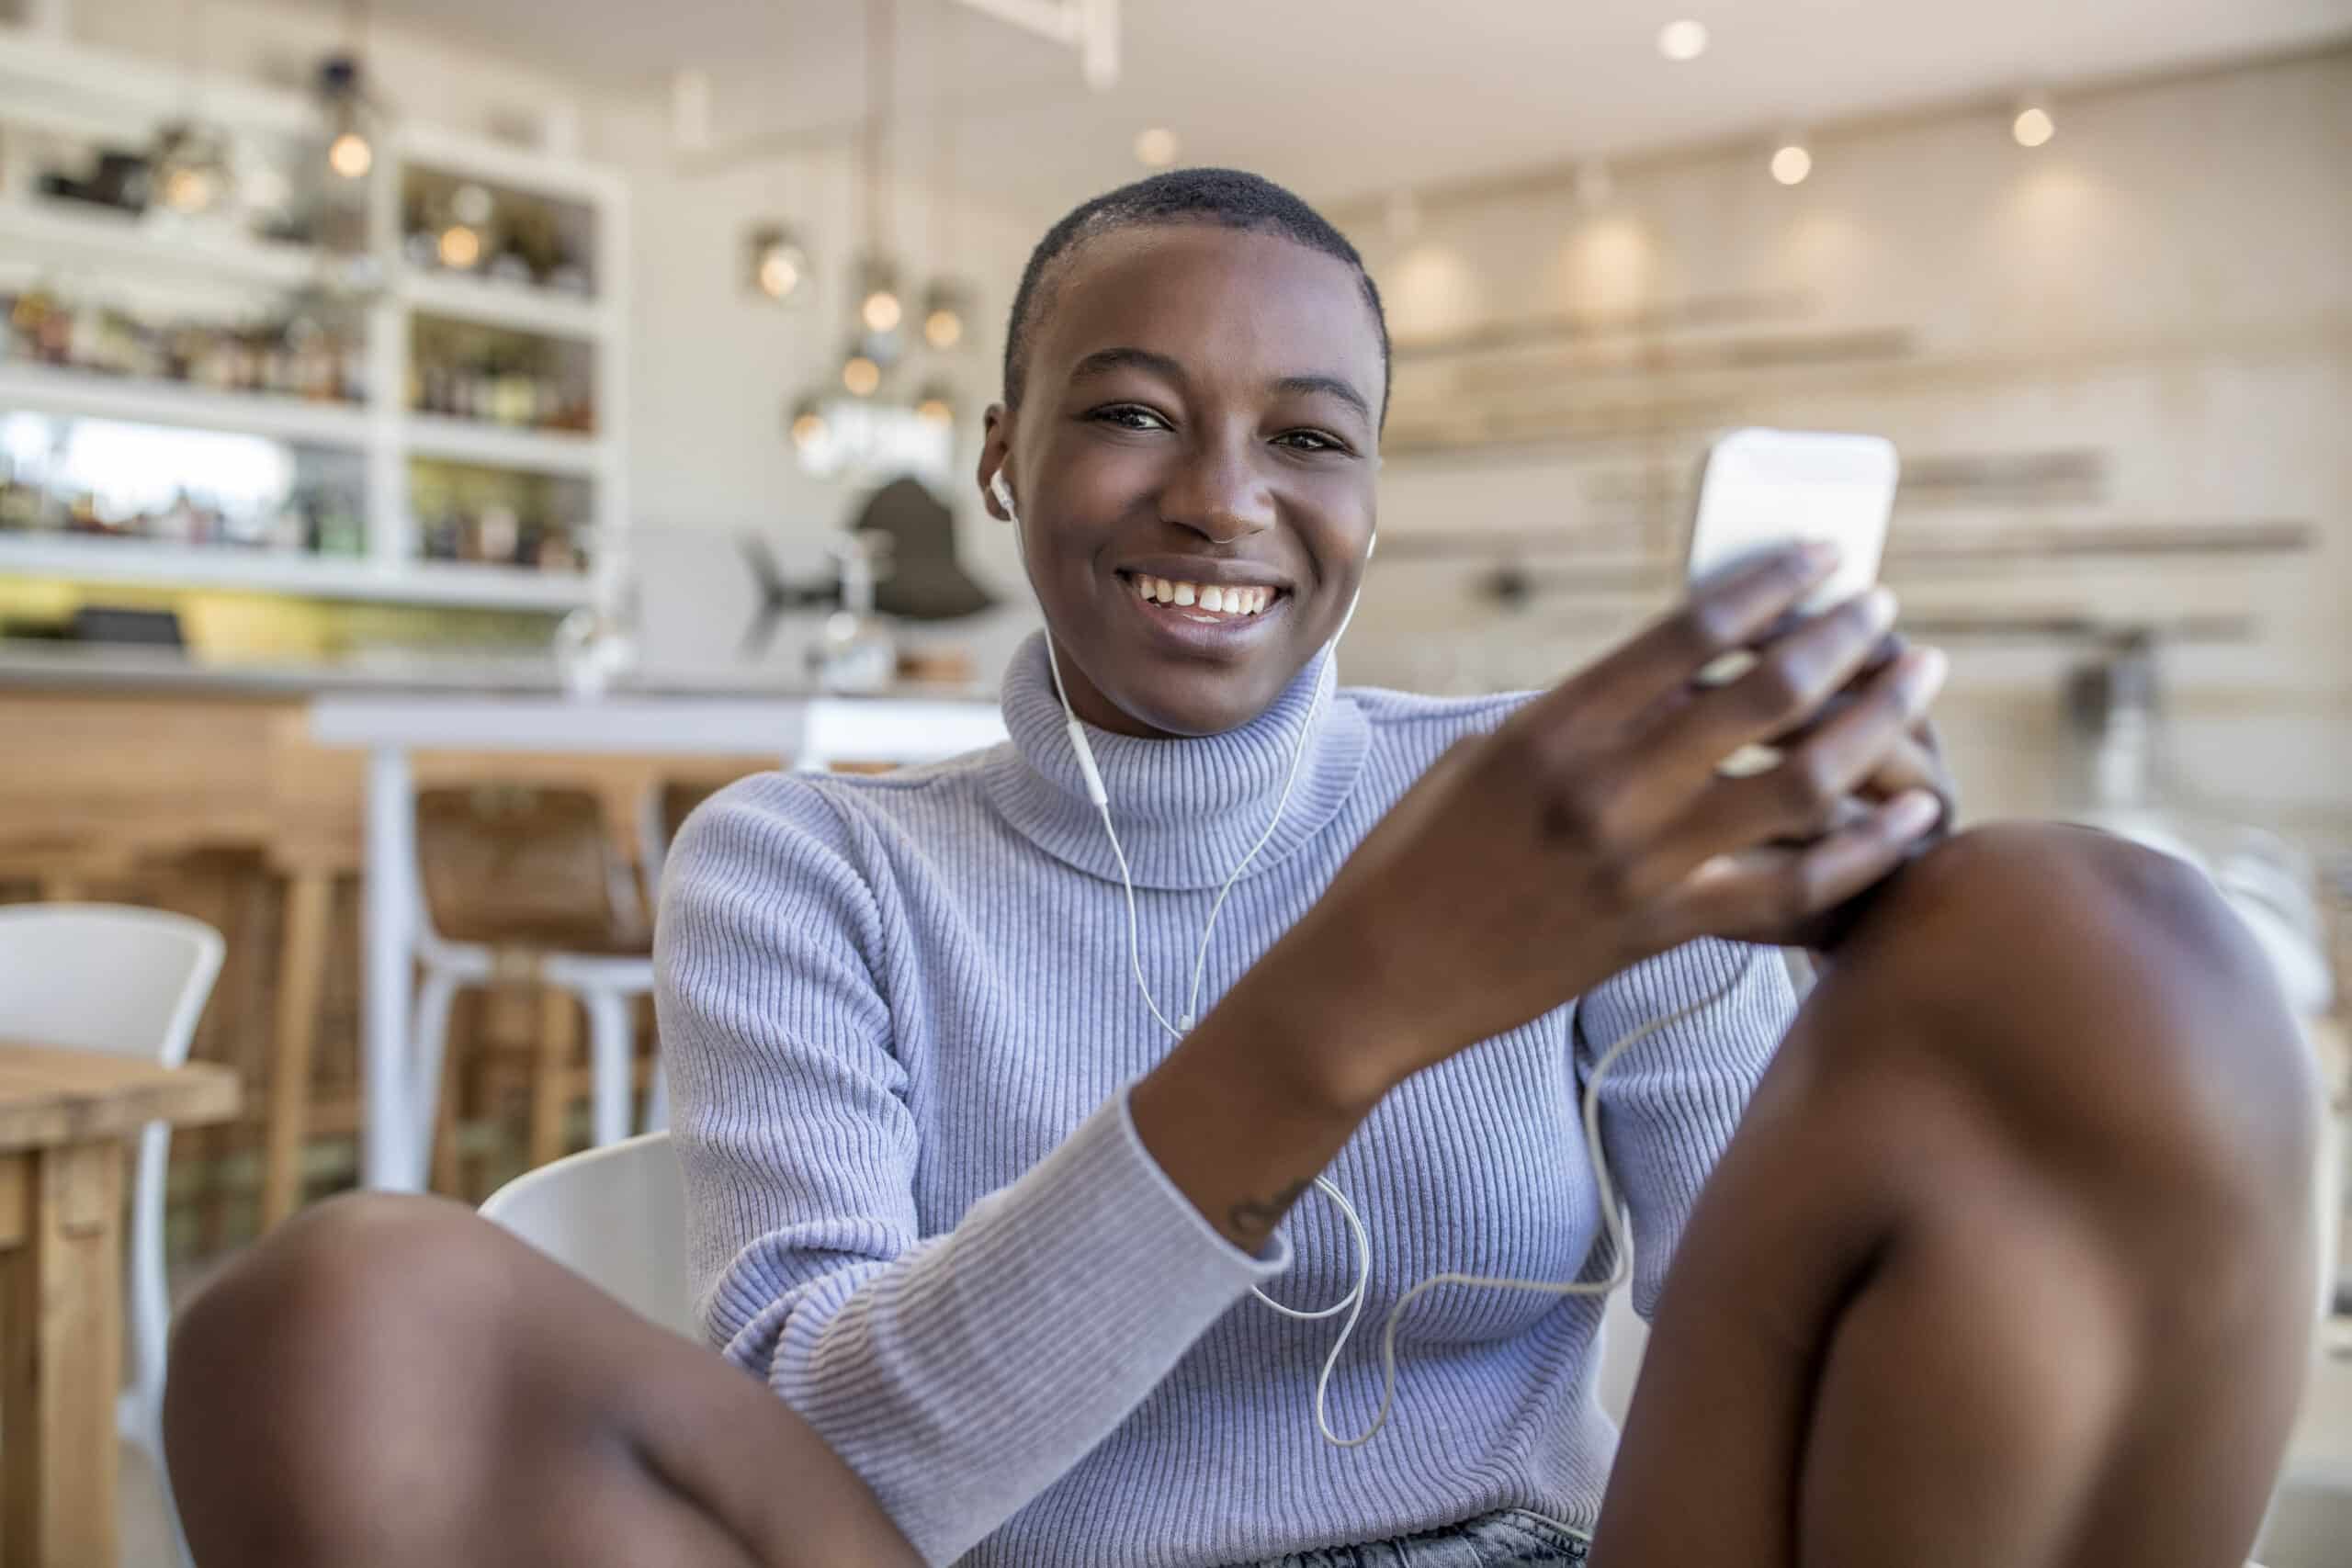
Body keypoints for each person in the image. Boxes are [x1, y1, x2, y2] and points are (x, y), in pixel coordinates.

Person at [166, 170, 2318, 1568]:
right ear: (1001, 452)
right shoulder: (809, 861)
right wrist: (1360, 991)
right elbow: (842, 1461)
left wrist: (1884, 981)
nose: (1222, 497)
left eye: (1306, 435)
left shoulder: (1528, 803)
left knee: (2092, 938)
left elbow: (1788, 1303)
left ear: (1366, 490)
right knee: (327, 1312)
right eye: (1127, 413)